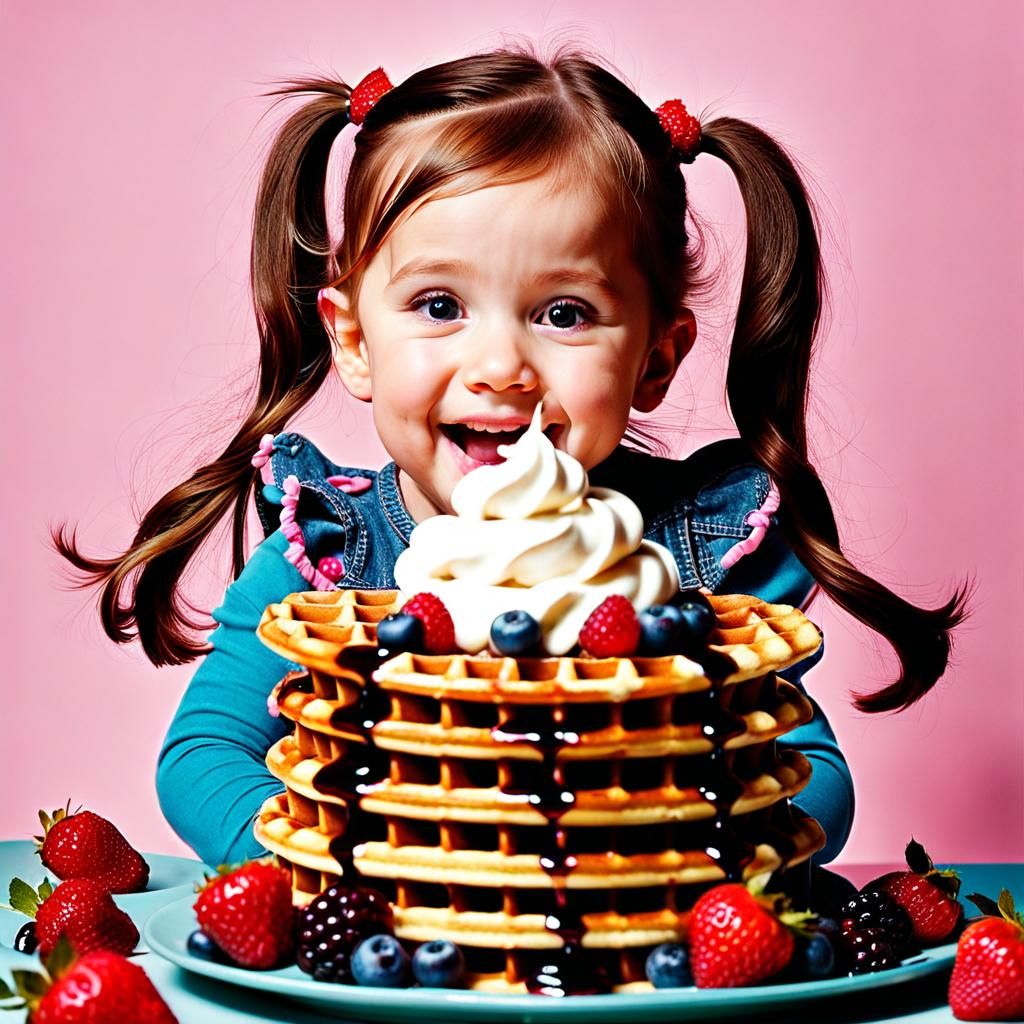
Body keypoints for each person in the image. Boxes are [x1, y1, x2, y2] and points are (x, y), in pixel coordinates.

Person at [55, 47, 967, 870]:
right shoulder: (323, 557)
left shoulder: (708, 557)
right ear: (354, 341)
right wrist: (349, 866)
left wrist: (672, 853)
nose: (499, 368)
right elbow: (203, 756)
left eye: (564, 313)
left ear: (656, 355)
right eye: (440, 304)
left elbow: (811, 777)